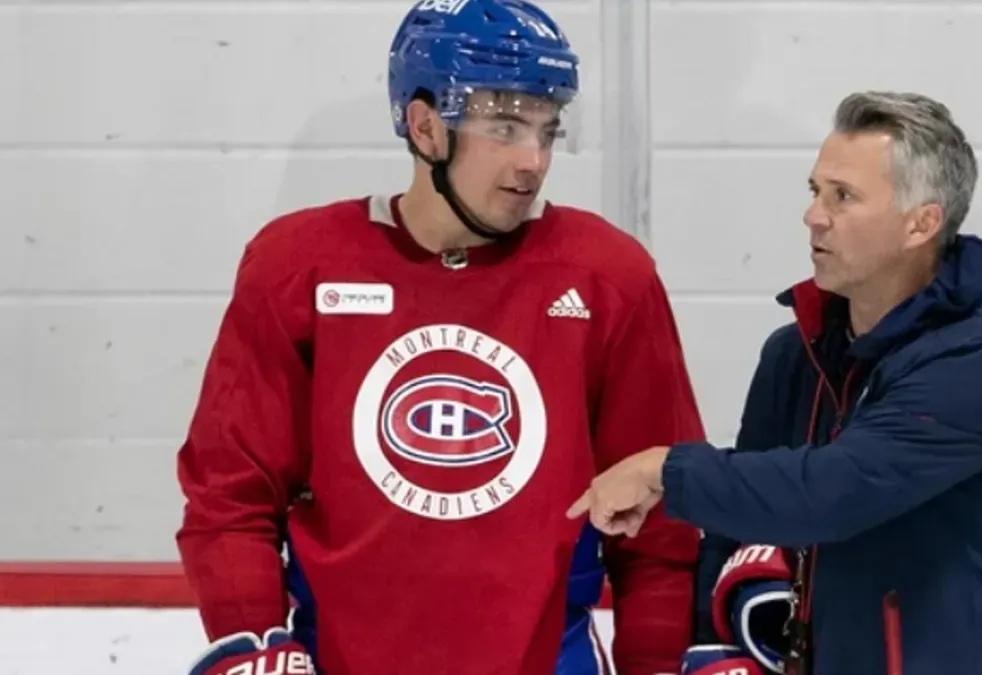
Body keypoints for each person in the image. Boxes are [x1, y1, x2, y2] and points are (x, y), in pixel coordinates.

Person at [176, 1, 707, 674]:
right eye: (505, 125)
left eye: (547, 130)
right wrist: (251, 637)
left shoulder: (609, 277)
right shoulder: (299, 267)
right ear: (426, 127)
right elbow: (228, 492)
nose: (533, 161)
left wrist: (654, 660)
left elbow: (661, 520)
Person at [569, 91, 982, 675]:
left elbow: (832, 493)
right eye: (815, 191)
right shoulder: (795, 353)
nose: (814, 215)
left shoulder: (981, 368)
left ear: (921, 223)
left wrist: (665, 471)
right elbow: (736, 527)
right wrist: (709, 650)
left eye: (842, 197)